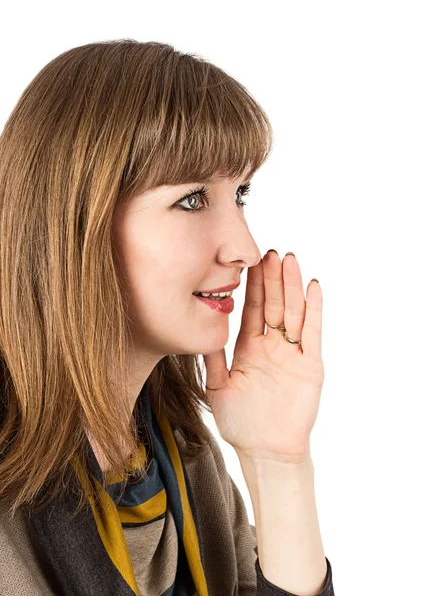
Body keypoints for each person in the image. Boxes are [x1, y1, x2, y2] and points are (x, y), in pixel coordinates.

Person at [0, 39, 335, 595]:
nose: (245, 249)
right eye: (192, 200)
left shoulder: (180, 450)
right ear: (79, 222)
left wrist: (278, 464)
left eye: (241, 193)